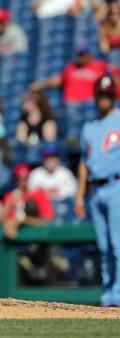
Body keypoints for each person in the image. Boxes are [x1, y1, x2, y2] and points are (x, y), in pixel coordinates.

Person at [75, 75, 120, 307]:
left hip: (116, 186)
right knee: (104, 248)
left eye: (108, 94)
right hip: (96, 190)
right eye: (101, 94)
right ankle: (108, 295)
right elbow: (84, 161)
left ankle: (118, 294)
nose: (104, 97)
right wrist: (80, 194)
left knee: (118, 245)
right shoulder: (89, 127)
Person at [30, 40, 120, 107]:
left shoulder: (100, 66)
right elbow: (58, 79)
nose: (81, 56)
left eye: (84, 53)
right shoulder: (71, 66)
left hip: (90, 106)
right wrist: (40, 84)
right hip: (70, 105)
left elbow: (115, 79)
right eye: (80, 53)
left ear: (90, 53)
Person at [1, 163, 55, 239]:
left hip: (36, 238)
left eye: (26, 179)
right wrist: (10, 203)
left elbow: (47, 221)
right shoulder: (9, 196)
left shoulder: (39, 194)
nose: (23, 183)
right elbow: (1, 220)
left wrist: (21, 221)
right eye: (19, 179)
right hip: (13, 239)